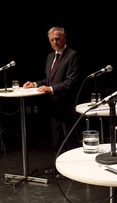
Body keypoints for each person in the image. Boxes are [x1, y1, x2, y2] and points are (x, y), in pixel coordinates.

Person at [23, 27, 81, 174]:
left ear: (64, 38)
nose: (55, 42)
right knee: (57, 139)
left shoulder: (72, 55)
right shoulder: (50, 57)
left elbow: (71, 81)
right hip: (53, 105)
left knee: (70, 138)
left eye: (58, 38)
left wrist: (51, 89)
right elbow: (48, 80)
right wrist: (35, 84)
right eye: (52, 40)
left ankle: (75, 169)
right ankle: (60, 167)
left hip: (67, 104)